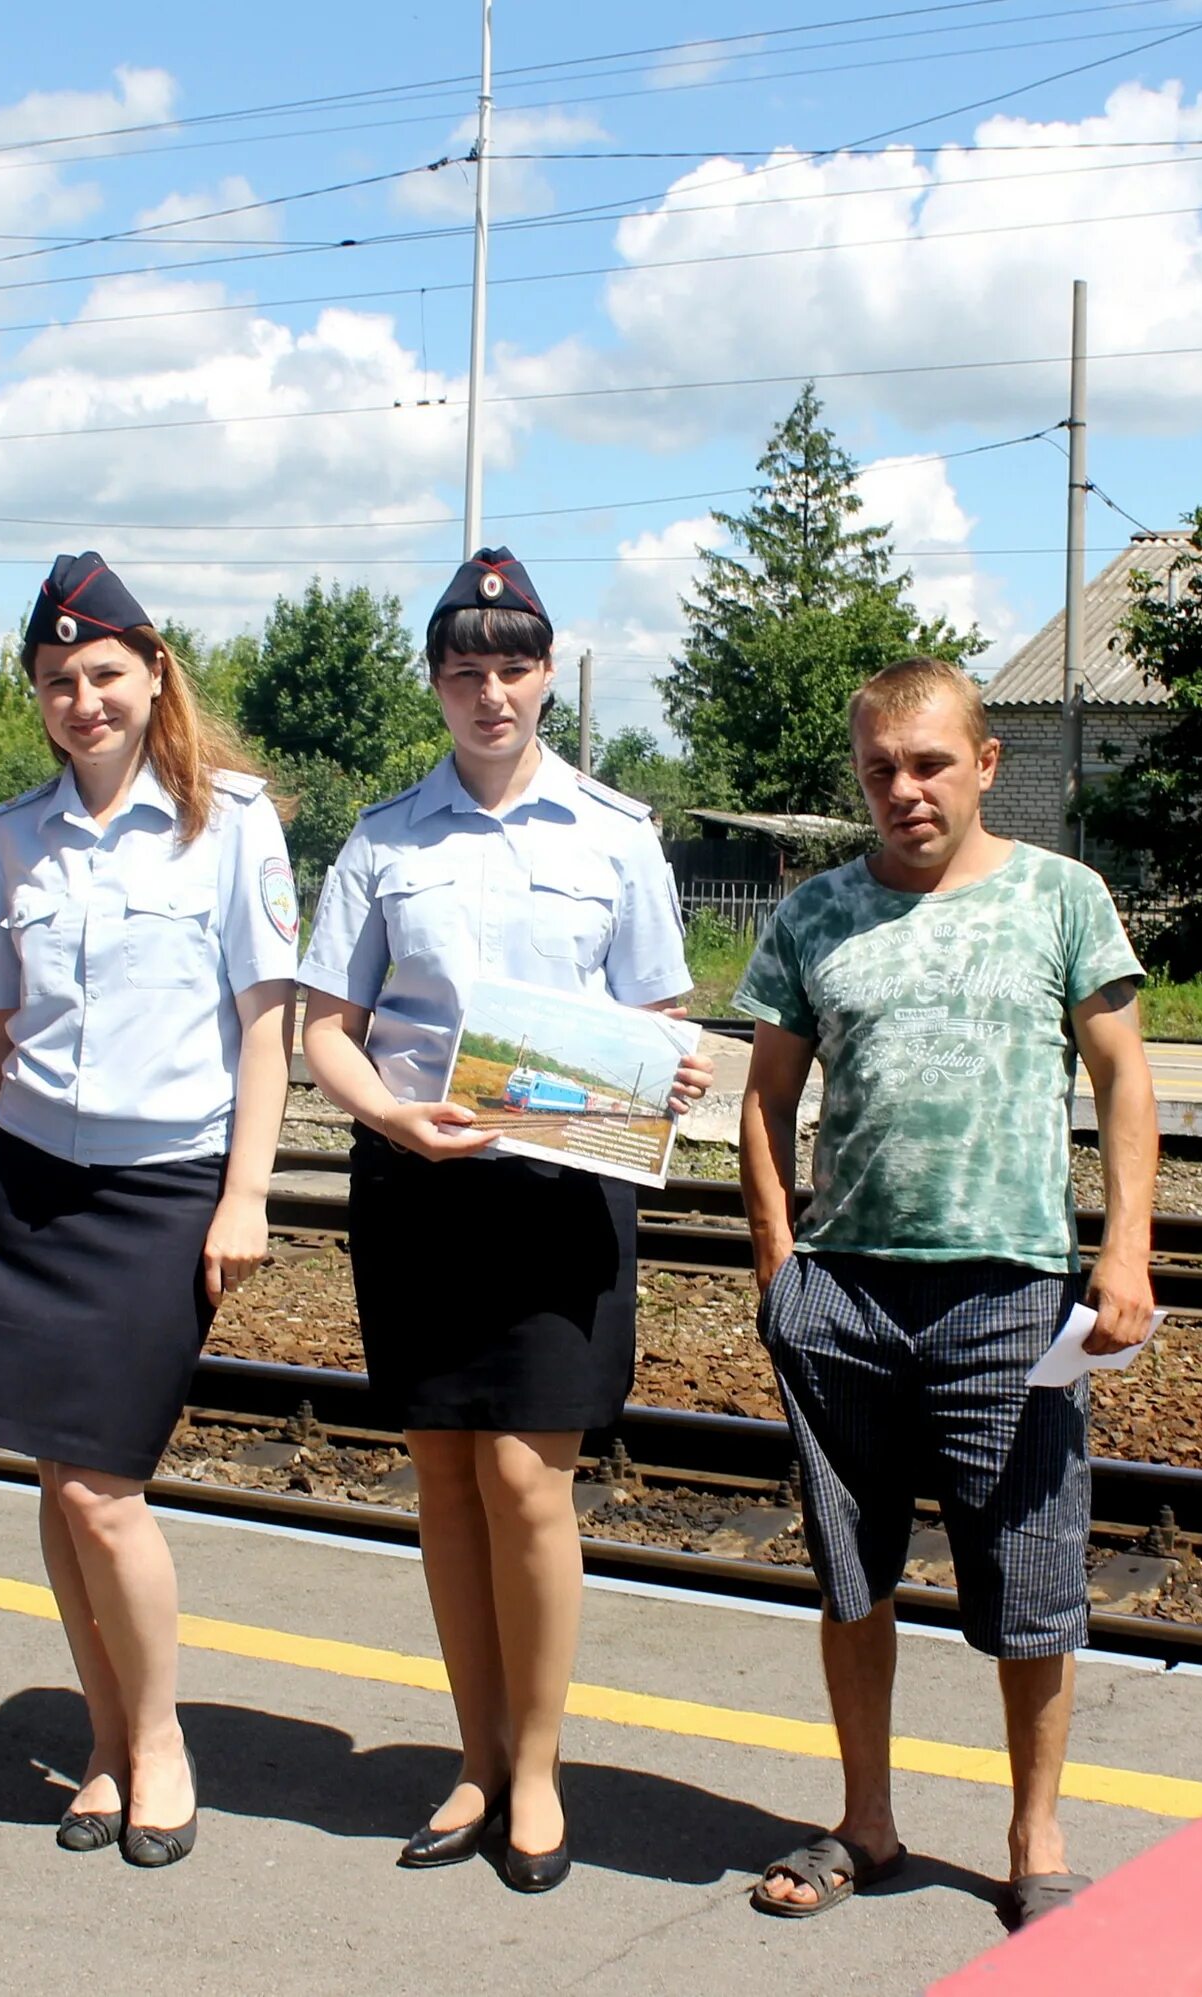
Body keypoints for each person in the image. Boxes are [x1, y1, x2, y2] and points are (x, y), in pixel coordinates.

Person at [299, 549, 713, 1892]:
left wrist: (678, 1064)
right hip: (419, 1185)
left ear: (547, 674)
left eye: (512, 668)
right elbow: (328, 1028)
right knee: (443, 1484)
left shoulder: (616, 835)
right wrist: (386, 1116)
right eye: (465, 670)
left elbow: (654, 1019)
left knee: (530, 1484)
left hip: (559, 1193)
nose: (490, 693)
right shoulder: (382, 839)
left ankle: (535, 1770)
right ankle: (473, 1756)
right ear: (436, 682)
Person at [733, 656, 1157, 1934]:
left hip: (1012, 1300)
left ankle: (1036, 1837)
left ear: (984, 763)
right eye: (879, 769)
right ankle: (868, 1817)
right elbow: (764, 1097)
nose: (904, 789)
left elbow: (1124, 1080)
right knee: (850, 1575)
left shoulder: (1062, 898)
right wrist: (775, 1262)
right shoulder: (815, 915)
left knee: (1031, 1579)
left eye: (928, 763)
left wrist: (1125, 1248)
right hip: (845, 1300)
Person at [0, 551, 298, 1871]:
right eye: (57, 680)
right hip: (34, 1183)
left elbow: (266, 1025)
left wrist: (245, 1196)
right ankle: (101, 1740)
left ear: (154, 672)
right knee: (57, 1475)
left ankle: (158, 1742)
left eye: (104, 673)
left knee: (106, 1484)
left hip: (164, 1190)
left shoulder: (234, 823)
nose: (82, 700)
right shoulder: (9, 836)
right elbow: (1, 1024)